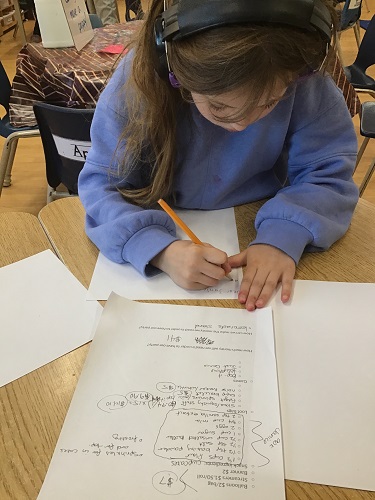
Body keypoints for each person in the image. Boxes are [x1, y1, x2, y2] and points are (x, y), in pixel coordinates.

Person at [78, 0, 359, 311]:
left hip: (259, 221)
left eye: (270, 103)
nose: (241, 125)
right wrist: (158, 249)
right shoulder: (135, 83)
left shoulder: (305, 81)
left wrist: (284, 235)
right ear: (172, 70)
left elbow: (328, 174)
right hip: (161, 233)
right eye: (220, 107)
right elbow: (102, 185)